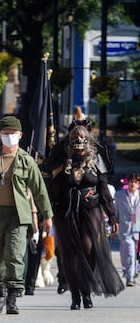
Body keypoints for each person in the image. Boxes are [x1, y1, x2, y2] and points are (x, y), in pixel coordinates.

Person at [0, 115, 53, 315]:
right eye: (5, 134)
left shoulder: (26, 161)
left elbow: (39, 189)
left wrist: (47, 215)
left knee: (14, 255)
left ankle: (12, 297)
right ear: (0, 135)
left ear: (20, 135)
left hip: (18, 216)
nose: (9, 137)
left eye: (13, 134)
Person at [49, 123, 124, 310]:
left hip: (91, 210)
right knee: (71, 253)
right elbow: (53, 188)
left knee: (88, 247)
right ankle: (75, 294)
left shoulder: (95, 159)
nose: (79, 141)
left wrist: (112, 216)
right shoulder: (62, 159)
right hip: (67, 210)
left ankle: (86, 290)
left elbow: (104, 188)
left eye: (82, 137)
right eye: (75, 138)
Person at [114, 173, 140, 287]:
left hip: (138, 229)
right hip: (125, 228)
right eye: (131, 182)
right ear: (127, 182)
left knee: (133, 252)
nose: (132, 184)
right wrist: (114, 226)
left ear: (138, 184)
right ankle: (130, 278)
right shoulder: (119, 195)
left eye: (135, 182)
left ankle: (131, 271)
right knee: (130, 251)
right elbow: (115, 212)